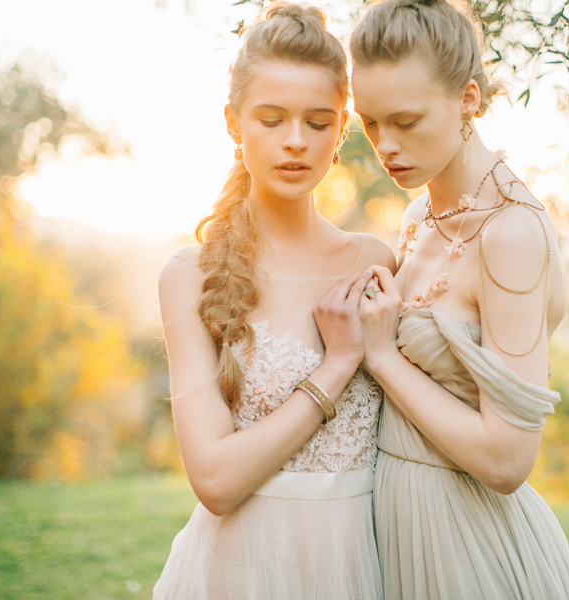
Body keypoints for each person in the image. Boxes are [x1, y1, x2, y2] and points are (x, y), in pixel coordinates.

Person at [153, 4, 394, 599]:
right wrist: (337, 366)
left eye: (317, 122)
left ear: (342, 131)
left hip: (359, 565)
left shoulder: (378, 261)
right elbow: (215, 480)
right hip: (238, 570)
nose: (295, 142)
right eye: (271, 118)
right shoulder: (191, 275)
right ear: (234, 123)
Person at [348, 0, 569, 598]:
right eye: (370, 123)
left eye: (406, 120)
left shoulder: (511, 233)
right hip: (395, 529)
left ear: (468, 100)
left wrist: (383, 357)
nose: (386, 145)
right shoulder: (417, 213)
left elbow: (507, 462)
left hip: (470, 545)